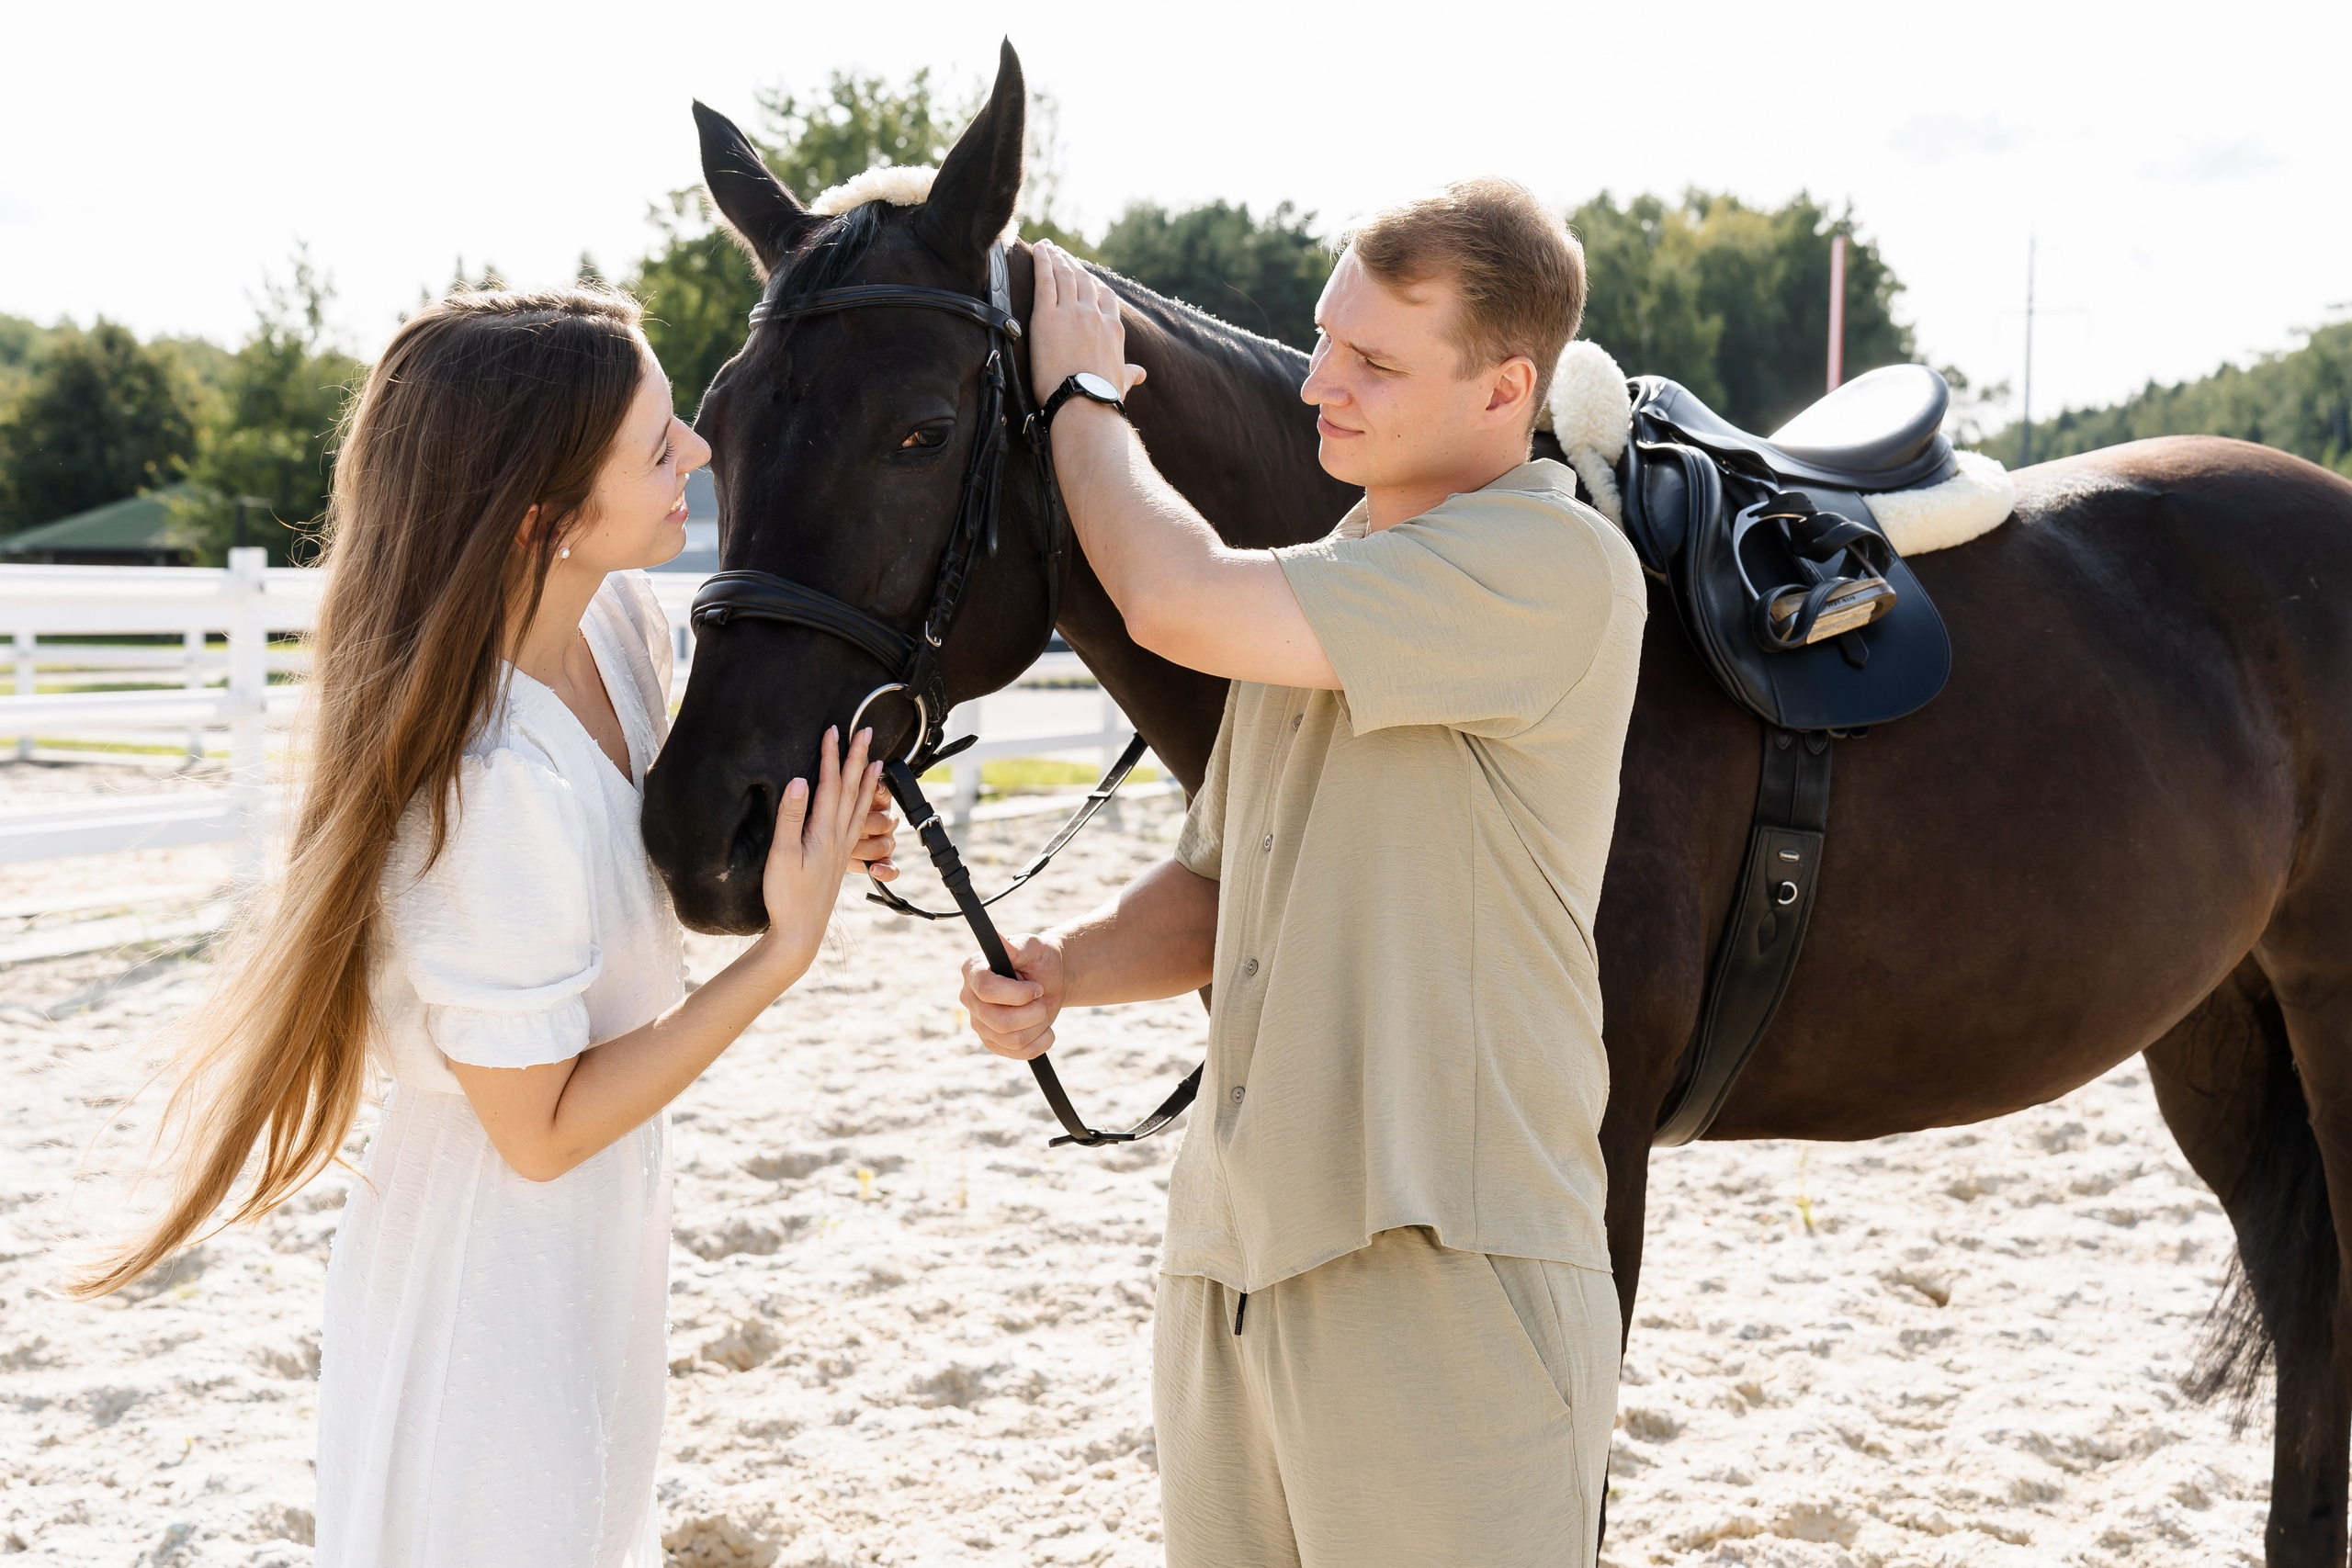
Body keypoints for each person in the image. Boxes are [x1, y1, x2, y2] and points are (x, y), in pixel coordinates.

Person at [72, 288, 898, 1567]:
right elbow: (542, 1128)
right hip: (491, 1296)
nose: (698, 454)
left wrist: (810, 845)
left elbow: (645, 875)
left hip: (594, 1250)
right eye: (657, 442)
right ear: (541, 519)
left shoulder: (616, 634)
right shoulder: (489, 780)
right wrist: (783, 956)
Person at [960, 182, 1645, 1563]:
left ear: (1510, 387)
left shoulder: (1553, 562)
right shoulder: (1327, 578)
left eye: (1378, 362)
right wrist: (1071, 969)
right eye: (1327, 338)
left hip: (1445, 1261)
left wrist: (1084, 398)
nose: (1322, 383)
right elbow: (1223, 888)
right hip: (1231, 1253)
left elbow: (1167, 595)